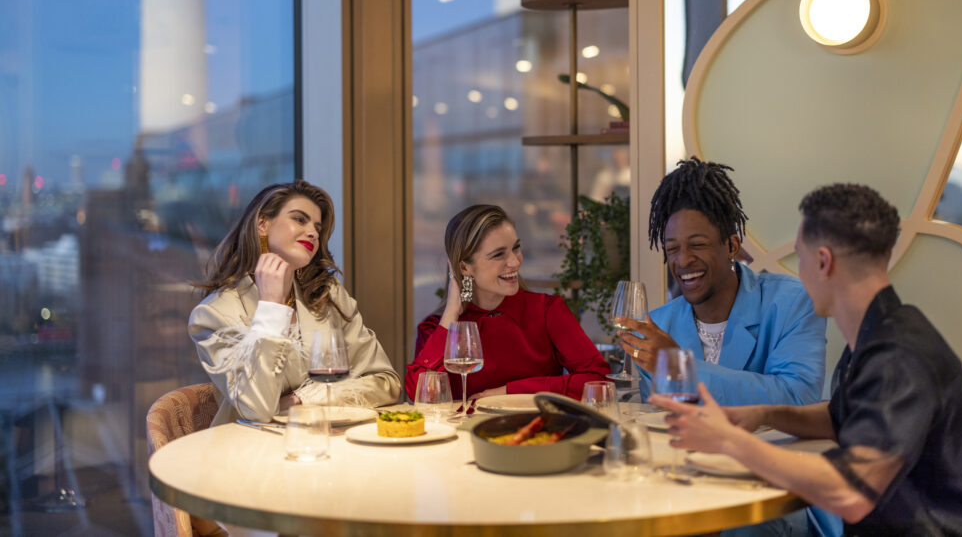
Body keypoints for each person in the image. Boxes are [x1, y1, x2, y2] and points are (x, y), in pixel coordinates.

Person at [652, 184, 962, 535]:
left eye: (800, 256)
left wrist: (729, 441)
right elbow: (840, 413)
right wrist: (763, 414)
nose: (798, 272)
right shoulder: (884, 330)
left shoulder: (899, 355)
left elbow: (852, 491)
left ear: (823, 262)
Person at [189, 180, 401, 425]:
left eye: (317, 228)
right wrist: (272, 308)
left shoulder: (328, 294)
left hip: (330, 444)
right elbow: (257, 408)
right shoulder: (213, 314)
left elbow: (386, 382)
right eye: (300, 219)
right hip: (253, 452)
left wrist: (304, 397)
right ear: (262, 224)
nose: (313, 232)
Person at [618, 158, 826, 406]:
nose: (683, 260)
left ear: (732, 246)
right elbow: (658, 416)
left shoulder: (792, 303)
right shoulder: (659, 327)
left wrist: (679, 364)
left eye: (697, 245)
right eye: (672, 249)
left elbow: (797, 397)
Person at [405, 204, 610, 401]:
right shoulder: (437, 329)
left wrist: (511, 391)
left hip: (539, 433)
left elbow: (598, 380)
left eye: (516, 248)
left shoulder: (547, 311)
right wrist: (451, 313)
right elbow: (420, 394)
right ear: (465, 267)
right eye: (498, 255)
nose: (514, 261)